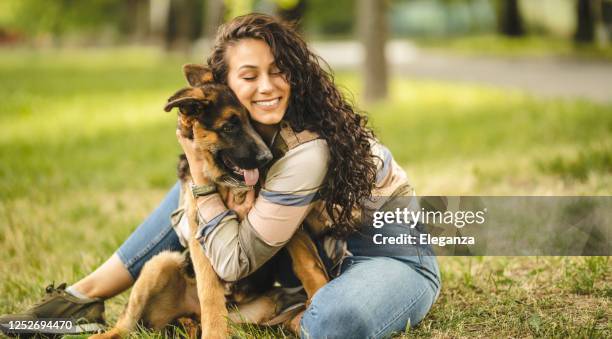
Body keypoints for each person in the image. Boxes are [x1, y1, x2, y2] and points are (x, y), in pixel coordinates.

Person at [0, 13, 440, 338]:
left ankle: (298, 310)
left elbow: (231, 259)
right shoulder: (246, 130)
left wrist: (198, 171)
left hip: (387, 253)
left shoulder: (306, 148)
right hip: (320, 254)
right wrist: (199, 164)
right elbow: (194, 218)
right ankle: (80, 297)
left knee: (335, 321)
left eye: (277, 70)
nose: (266, 87)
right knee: (195, 192)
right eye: (249, 76)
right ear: (224, 82)